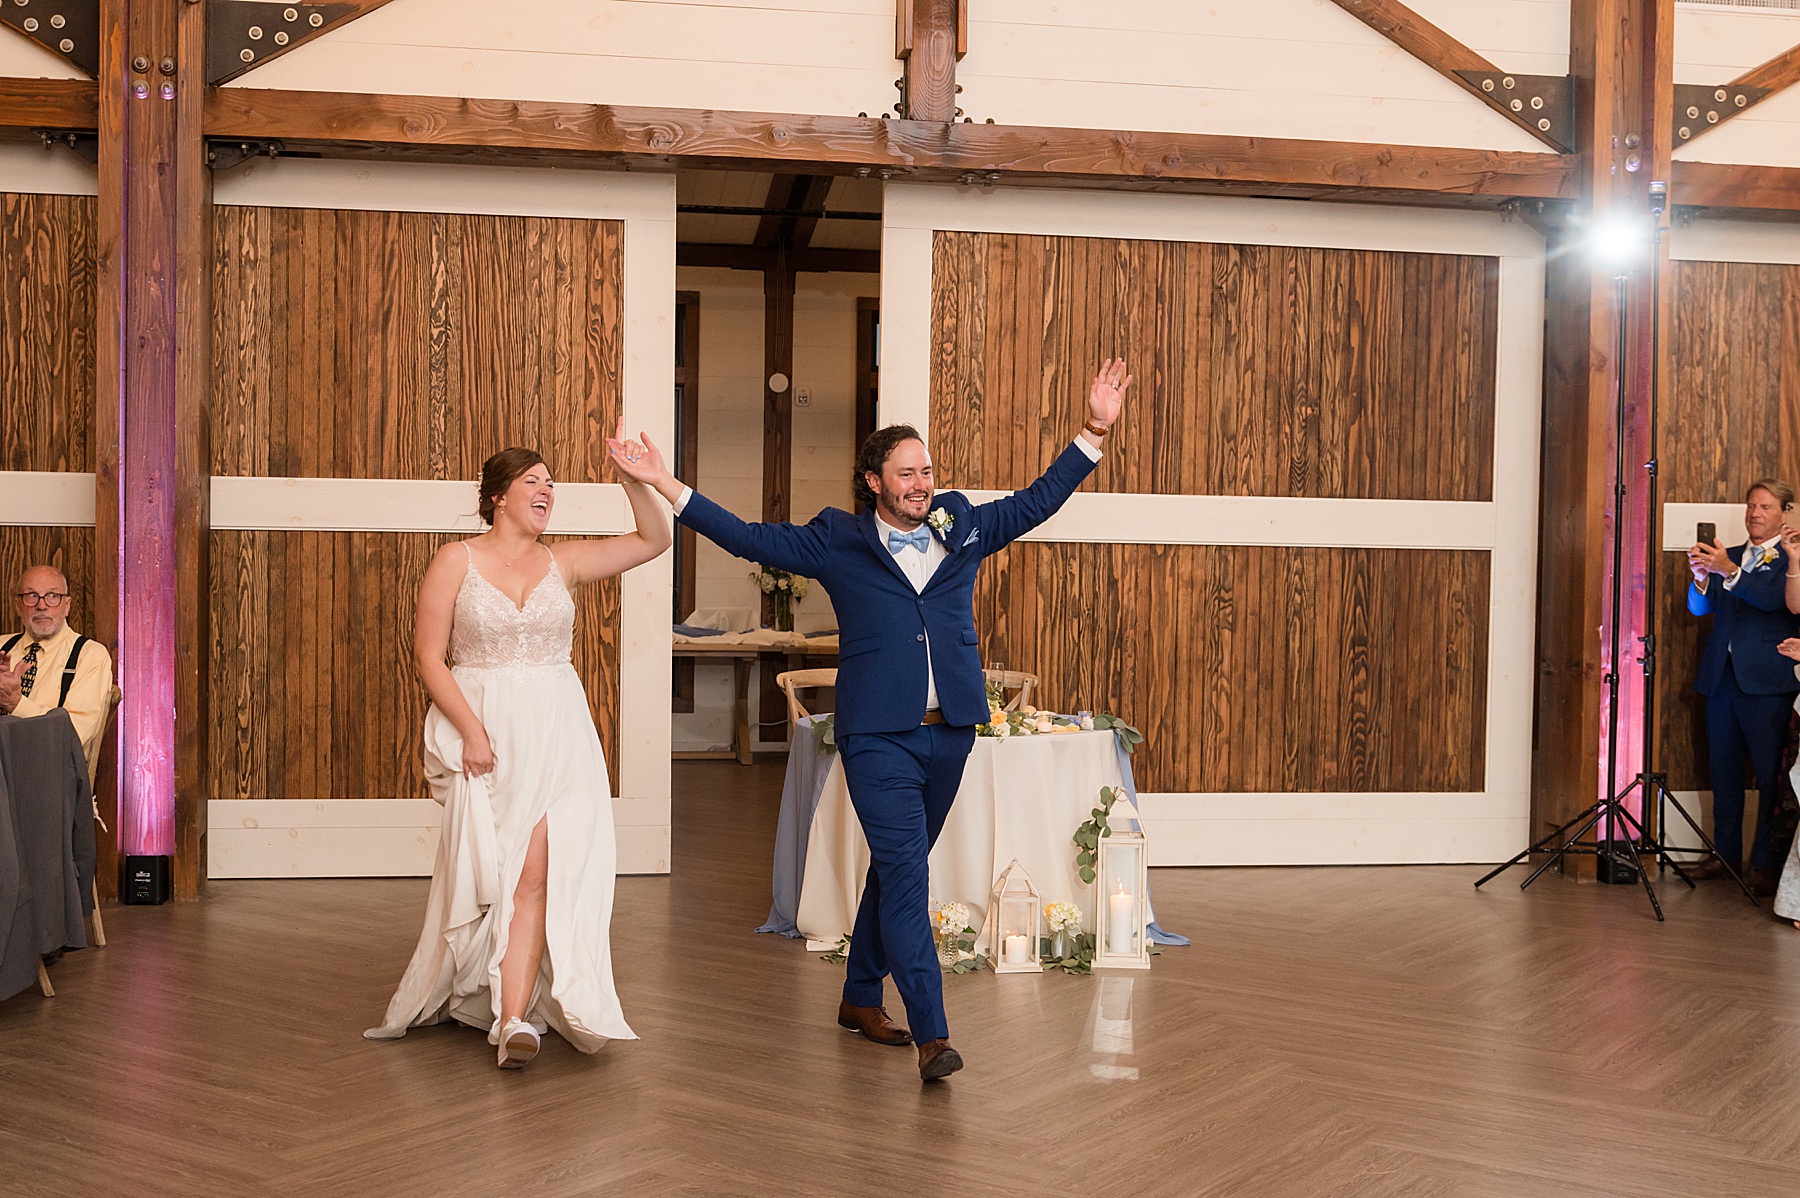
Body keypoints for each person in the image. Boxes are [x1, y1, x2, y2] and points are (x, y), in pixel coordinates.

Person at [608, 359, 1132, 1082]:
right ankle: (931, 1035)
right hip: (876, 736)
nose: (922, 483)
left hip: (949, 732)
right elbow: (746, 537)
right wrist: (665, 484)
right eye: (907, 473)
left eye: (927, 471)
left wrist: (1093, 430)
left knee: (898, 868)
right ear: (874, 482)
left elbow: (1036, 501)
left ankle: (858, 999)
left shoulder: (961, 523)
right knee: (909, 879)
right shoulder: (837, 540)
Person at [366, 428, 671, 1069]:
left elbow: (654, 539)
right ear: (500, 495)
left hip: (558, 728)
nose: (546, 491)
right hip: (485, 727)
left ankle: (511, 1021)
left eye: (551, 483)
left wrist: (633, 479)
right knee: (490, 873)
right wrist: (472, 732)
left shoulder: (564, 562)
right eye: (533, 481)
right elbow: (427, 657)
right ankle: (490, 993)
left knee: (536, 872)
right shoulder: (456, 559)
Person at [1686, 479, 1800, 895]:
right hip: (1722, 681)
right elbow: (1700, 608)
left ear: (1783, 513)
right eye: (1751, 505)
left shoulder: (1791, 559)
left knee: (1771, 779)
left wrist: (1729, 572)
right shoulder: (1726, 556)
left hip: (1769, 683)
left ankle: (1767, 864)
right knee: (1725, 774)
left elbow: (1774, 602)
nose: (1754, 513)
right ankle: (1725, 856)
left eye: (1765, 507)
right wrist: (1701, 579)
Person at [1, 565, 114, 779]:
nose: (41, 605)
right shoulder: (2, 648)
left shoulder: (89, 655)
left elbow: (74, 737)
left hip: (50, 779)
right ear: (18, 605)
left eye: (52, 596)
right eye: (32, 596)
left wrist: (16, 703)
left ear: (67, 605)